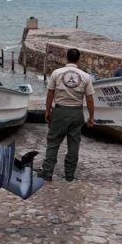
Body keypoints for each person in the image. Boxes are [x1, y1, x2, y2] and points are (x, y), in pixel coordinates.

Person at [39, 48, 95, 182]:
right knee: (74, 143)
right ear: (79, 59)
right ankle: (69, 174)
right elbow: (89, 99)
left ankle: (47, 172)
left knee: (53, 142)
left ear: (66, 58)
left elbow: (50, 94)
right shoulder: (85, 76)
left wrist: (47, 111)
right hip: (76, 112)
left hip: (60, 111)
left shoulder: (56, 73)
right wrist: (91, 117)